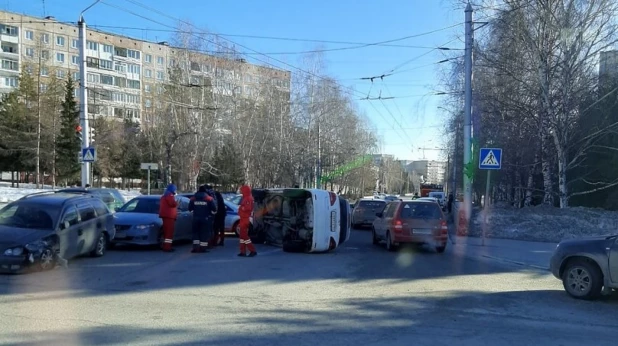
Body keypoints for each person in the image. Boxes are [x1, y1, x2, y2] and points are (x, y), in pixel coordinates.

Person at [188, 185, 217, 253]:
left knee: (195, 233)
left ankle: (195, 248)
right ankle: (203, 248)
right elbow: (214, 208)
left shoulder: (193, 198)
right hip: (205, 219)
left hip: (195, 218)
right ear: (205, 191)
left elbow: (189, 209)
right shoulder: (209, 198)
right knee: (204, 233)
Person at [238, 184, 257, 257]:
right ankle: (243, 251)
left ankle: (252, 250)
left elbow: (247, 208)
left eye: (242, 190)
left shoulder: (247, 198)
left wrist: (241, 208)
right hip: (243, 218)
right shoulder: (247, 197)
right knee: (242, 237)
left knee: (244, 236)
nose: (241, 192)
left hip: (245, 218)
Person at [158, 184, 178, 252]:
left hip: (165, 216)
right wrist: (177, 203)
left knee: (166, 232)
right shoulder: (170, 195)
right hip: (169, 216)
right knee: (169, 232)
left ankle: (165, 246)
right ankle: (167, 247)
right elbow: (172, 204)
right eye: (175, 189)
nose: (175, 191)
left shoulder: (164, 196)